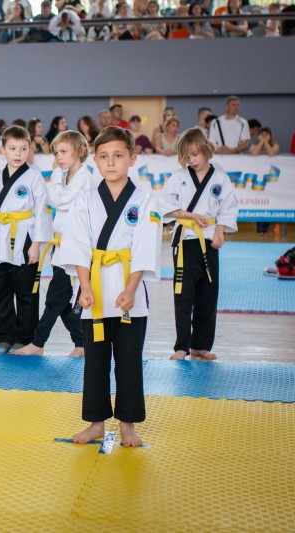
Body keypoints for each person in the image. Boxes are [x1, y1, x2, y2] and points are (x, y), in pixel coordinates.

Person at [54, 126, 162, 447]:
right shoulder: (85, 199)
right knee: (96, 361)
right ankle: (96, 423)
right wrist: (84, 287)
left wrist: (131, 289)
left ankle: (128, 425)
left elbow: (145, 248)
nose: (111, 162)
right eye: (103, 157)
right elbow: (77, 246)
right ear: (95, 161)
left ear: (132, 159)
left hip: (130, 292)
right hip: (96, 292)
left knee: (129, 360)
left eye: (118, 156)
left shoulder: (144, 200)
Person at [159, 127, 238, 361]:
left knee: (207, 294)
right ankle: (181, 346)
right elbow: (163, 205)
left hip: (209, 241)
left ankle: (200, 345)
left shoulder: (220, 178)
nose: (191, 160)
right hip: (185, 241)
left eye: (195, 154)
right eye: (187, 156)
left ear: (205, 149)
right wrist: (190, 215)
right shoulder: (178, 177)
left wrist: (220, 230)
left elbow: (228, 207)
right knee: (183, 294)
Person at [12, 130, 93, 357]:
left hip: (75, 247)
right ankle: (81, 343)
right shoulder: (68, 177)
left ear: (80, 151)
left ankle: (38, 343)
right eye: (56, 153)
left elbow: (58, 199)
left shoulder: (84, 178)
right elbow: (55, 199)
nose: (59, 157)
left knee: (55, 298)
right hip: (62, 245)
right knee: (64, 300)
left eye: (64, 152)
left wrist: (56, 173)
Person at [0, 126, 52, 354]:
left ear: (29, 150)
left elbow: (42, 211)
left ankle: (24, 338)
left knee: (26, 292)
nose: (18, 153)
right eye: (13, 148)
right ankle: (3, 338)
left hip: (25, 237)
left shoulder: (34, 177)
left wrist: (36, 244)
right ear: (2, 150)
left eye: (23, 149)